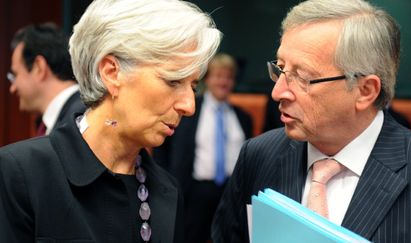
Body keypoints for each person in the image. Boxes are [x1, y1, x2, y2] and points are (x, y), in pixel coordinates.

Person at [0, 0, 221, 242]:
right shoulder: (19, 173)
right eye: (173, 81)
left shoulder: (167, 190)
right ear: (111, 73)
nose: (189, 106)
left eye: (193, 86)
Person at [211, 0, 411, 242]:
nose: (278, 92)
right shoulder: (258, 156)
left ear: (365, 90)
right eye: (281, 69)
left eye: (303, 77)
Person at [153, 53, 253, 243]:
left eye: (228, 77)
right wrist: (165, 181)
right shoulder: (187, 110)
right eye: (218, 76)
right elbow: (162, 148)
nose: (223, 82)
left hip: (230, 193)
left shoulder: (243, 117)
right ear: (207, 79)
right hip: (194, 192)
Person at [8, 22, 85, 136]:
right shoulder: (67, 117)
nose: (12, 88)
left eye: (15, 75)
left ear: (39, 67)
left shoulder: (82, 118)